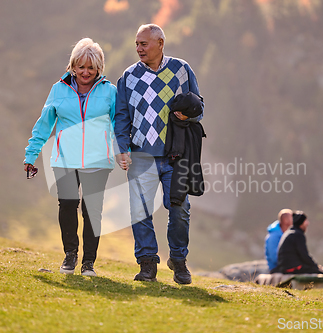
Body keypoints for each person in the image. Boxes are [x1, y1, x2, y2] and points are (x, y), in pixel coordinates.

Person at [114, 24, 203, 284]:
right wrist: (123, 148)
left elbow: (200, 106)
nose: (139, 48)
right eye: (137, 44)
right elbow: (121, 117)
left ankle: (178, 259)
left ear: (160, 43)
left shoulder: (181, 70)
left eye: (144, 44)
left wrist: (188, 114)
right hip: (141, 155)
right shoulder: (129, 76)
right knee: (139, 212)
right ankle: (147, 263)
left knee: (180, 210)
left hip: (176, 155)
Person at [23, 38, 116, 276]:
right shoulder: (58, 89)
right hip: (64, 159)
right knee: (67, 205)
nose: (85, 72)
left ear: (99, 69)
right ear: (73, 66)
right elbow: (44, 125)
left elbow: (119, 124)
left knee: (92, 210)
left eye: (91, 67)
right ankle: (70, 255)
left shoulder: (110, 92)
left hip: (97, 161)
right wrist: (31, 154)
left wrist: (124, 152)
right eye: (81, 66)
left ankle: (89, 263)